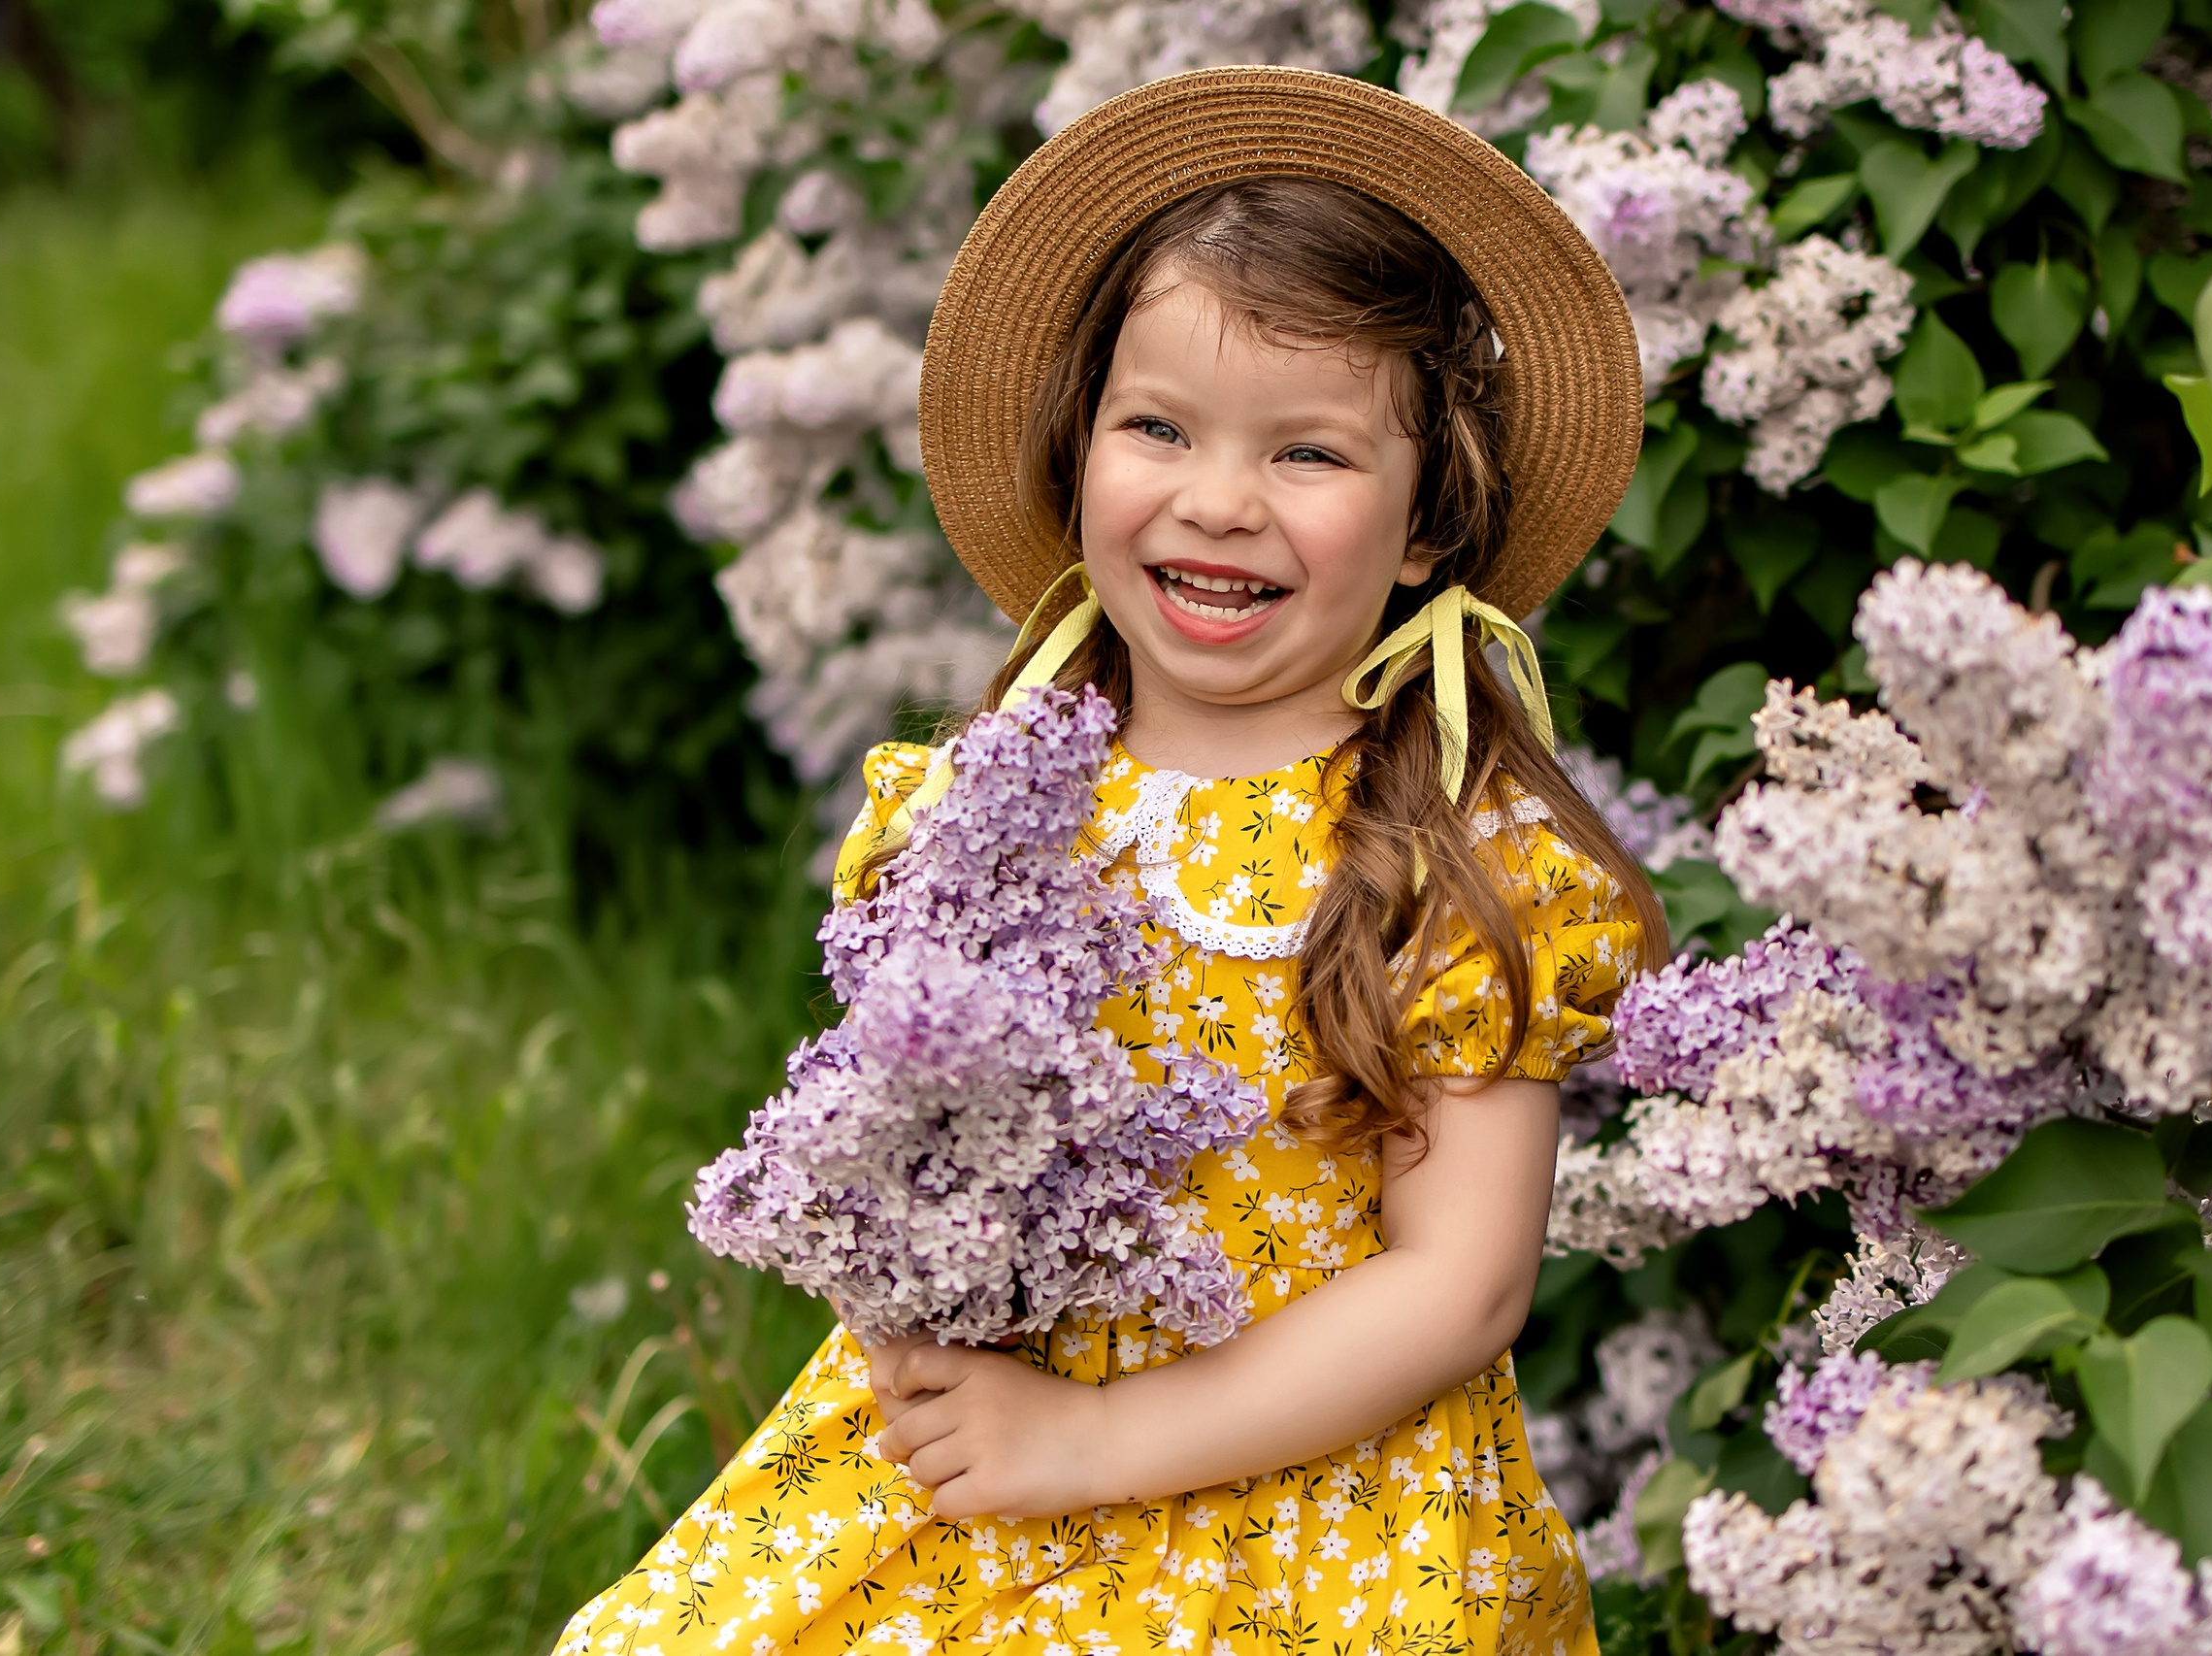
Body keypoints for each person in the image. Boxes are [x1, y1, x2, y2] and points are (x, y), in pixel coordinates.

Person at [555, 64, 1667, 1656]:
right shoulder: (978, 807)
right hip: (979, 1439)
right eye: (1160, 426)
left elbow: (1461, 1286)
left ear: (1431, 524)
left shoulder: (1446, 857)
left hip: (1310, 1512)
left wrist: (1091, 1445)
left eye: (1310, 454)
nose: (1219, 502)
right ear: (1081, 453)